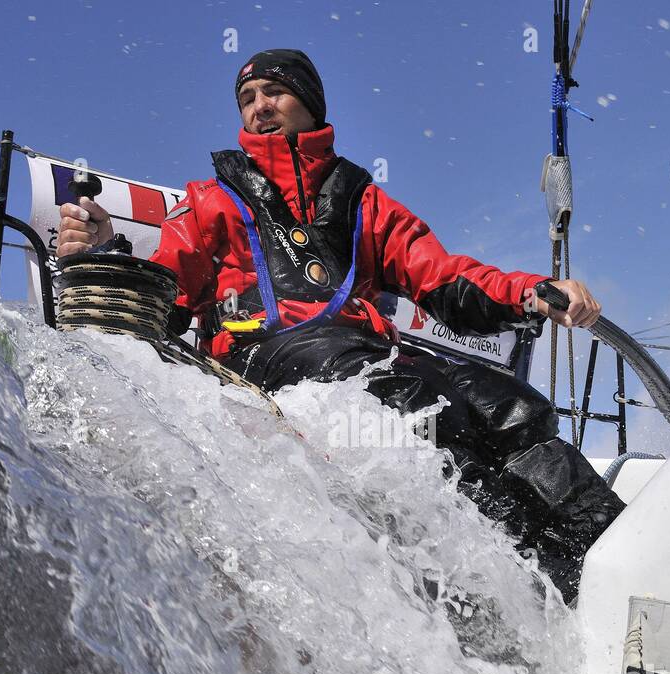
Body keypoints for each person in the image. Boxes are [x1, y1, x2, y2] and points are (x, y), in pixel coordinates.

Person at [58, 49, 623, 604]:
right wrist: (104, 250)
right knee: (409, 394)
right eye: (247, 99)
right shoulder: (212, 199)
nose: (258, 107)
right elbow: (166, 289)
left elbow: (441, 277)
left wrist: (525, 292)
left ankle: (613, 558)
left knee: (511, 406)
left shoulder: (362, 200)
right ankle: (516, 582)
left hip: (364, 354)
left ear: (310, 101)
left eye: (273, 91)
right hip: (259, 358)